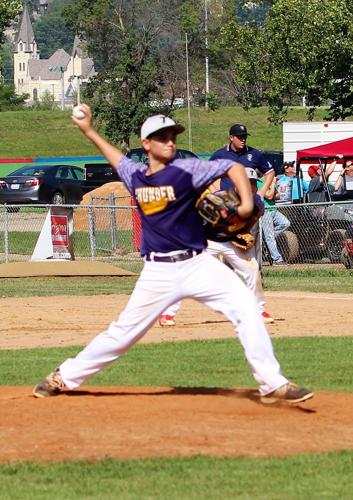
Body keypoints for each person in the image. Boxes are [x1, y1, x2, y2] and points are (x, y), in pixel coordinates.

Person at [32, 104, 313, 404]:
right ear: (146, 144)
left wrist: (246, 203)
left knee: (246, 306)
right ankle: (64, 376)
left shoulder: (187, 170)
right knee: (123, 333)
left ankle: (272, 383)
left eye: (172, 136)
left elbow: (232, 167)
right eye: (161, 136)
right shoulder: (135, 175)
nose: (169, 141)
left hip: (197, 263)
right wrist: (88, 130)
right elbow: (115, 157)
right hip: (158, 272)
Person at [160, 168, 275, 327]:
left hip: (229, 241)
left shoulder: (257, 203)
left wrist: (242, 233)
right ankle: (167, 313)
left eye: (253, 184)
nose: (249, 187)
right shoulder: (222, 199)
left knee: (252, 268)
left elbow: (249, 221)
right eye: (246, 183)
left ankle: (258, 310)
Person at [260, 176, 290, 265]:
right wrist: (272, 185)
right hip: (265, 211)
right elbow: (269, 196)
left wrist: (271, 190)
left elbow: (278, 196)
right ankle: (277, 260)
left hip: (273, 210)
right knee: (270, 237)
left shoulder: (269, 182)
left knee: (286, 223)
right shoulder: (259, 182)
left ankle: (266, 239)